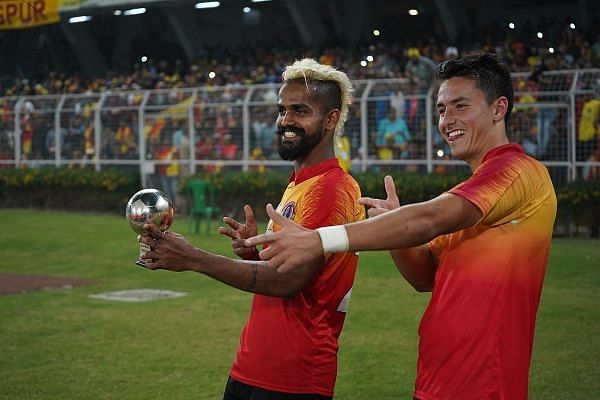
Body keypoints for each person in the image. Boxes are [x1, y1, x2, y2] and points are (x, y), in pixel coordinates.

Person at [246, 53, 557, 400]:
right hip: (437, 379)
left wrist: (322, 239)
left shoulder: (516, 170)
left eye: (460, 106)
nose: (447, 120)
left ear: (499, 109)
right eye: (441, 110)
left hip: (485, 383)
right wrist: (395, 233)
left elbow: (427, 219)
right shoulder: (478, 195)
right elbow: (425, 277)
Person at [139, 58, 365, 399]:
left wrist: (193, 258)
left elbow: (291, 280)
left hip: (293, 377)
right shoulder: (300, 183)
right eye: (282, 110)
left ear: (331, 119)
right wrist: (254, 253)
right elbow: (294, 273)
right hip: (257, 367)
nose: (285, 120)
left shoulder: (331, 189)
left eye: (300, 111)